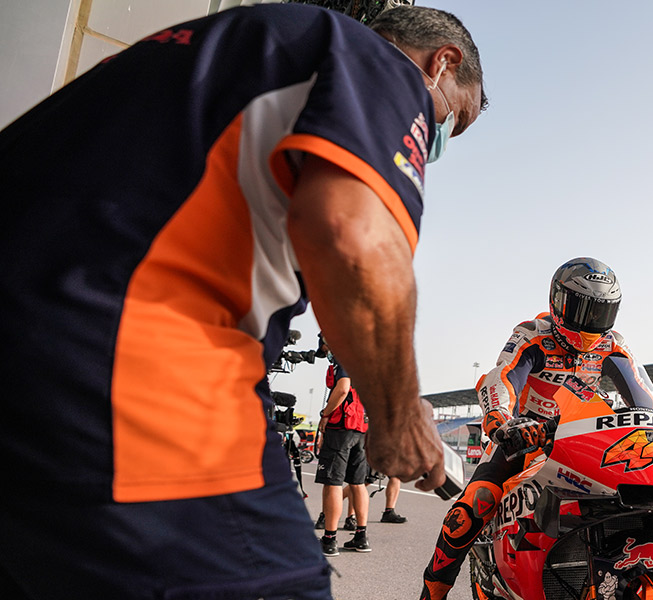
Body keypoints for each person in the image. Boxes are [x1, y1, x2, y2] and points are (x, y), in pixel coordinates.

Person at [0, 4, 485, 598]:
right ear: (442, 63)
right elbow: (356, 241)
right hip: (125, 363)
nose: (434, 138)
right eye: (449, 121)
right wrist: (401, 416)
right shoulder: (373, 62)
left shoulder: (235, 45)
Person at [420, 257, 653, 600]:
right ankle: (432, 592)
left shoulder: (614, 345)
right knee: (474, 505)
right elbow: (502, 377)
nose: (592, 322)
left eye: (602, 312)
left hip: (585, 444)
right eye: (583, 309)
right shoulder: (534, 336)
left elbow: (646, 398)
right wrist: (500, 421)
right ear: (559, 302)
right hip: (526, 440)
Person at [315, 351, 372, 556]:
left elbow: (342, 388)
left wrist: (325, 414)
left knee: (333, 482)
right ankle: (361, 536)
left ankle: (329, 539)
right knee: (357, 484)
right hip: (361, 427)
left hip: (341, 427)